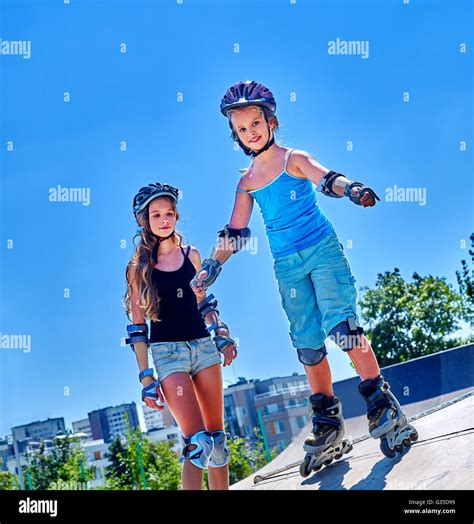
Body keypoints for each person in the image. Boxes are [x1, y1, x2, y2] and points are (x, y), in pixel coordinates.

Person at [190, 81, 417, 471]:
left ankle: (380, 402)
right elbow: (236, 231)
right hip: (287, 266)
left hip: (321, 252)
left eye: (255, 123)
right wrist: (212, 265)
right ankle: (328, 421)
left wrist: (353, 189)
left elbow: (325, 177)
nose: (251, 132)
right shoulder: (246, 182)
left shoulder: (292, 158)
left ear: (272, 121)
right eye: (242, 129)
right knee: (308, 345)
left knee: (343, 327)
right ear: (236, 136)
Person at [124, 182, 237, 489]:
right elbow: (137, 328)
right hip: (167, 353)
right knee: (197, 445)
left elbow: (204, 302)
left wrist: (221, 332)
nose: (164, 219)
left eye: (169, 213)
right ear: (144, 221)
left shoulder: (193, 255)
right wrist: (146, 379)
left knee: (217, 443)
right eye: (156, 214)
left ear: (176, 216)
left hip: (203, 347)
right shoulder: (139, 269)